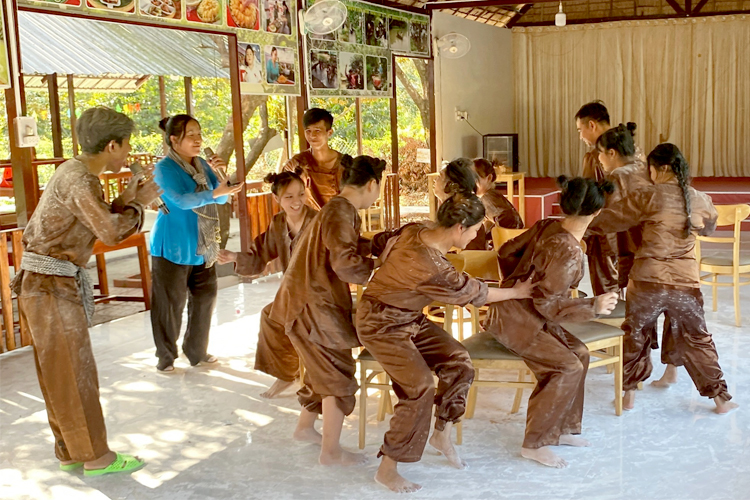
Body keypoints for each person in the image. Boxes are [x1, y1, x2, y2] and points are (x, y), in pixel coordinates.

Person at [356, 160, 534, 493]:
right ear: (459, 228)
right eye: (476, 229)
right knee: (420, 386)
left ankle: (441, 433)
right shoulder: (432, 266)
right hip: (381, 323)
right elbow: (475, 293)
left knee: (459, 362)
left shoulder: (416, 229)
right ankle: (388, 468)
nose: (478, 234)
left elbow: (381, 242)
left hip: (410, 318)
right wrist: (518, 292)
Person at [13, 106, 161, 475]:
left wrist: (126, 198)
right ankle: (96, 456)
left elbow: (95, 220)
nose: (128, 154)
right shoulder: (80, 179)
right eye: (126, 146)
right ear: (112, 145)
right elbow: (109, 231)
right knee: (74, 371)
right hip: (49, 284)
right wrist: (139, 204)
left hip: (46, 283)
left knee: (59, 372)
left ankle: (70, 451)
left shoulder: (75, 173)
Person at [588, 143, 738, 414]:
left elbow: (610, 221)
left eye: (651, 170)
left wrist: (579, 223)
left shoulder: (647, 196)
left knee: (635, 335)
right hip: (686, 283)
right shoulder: (700, 199)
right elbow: (709, 228)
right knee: (698, 338)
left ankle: (629, 397)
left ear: (660, 169)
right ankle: (721, 400)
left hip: (647, 280)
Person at [484, 177, 619, 469]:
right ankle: (535, 443)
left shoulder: (547, 225)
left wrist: (515, 284)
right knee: (566, 366)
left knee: (580, 353)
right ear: (597, 212)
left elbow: (505, 252)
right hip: (519, 324)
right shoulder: (568, 250)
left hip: (518, 312)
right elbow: (549, 305)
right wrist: (593, 306)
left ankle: (563, 428)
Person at [266, 155, 384, 466]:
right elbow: (345, 263)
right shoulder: (340, 210)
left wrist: (379, 246)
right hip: (312, 303)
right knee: (336, 373)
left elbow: (344, 247)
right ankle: (330, 452)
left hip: (308, 299)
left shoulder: (336, 208)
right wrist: (380, 268)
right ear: (372, 184)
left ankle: (305, 429)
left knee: (321, 369)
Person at [150, 115, 244, 372]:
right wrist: (215, 193)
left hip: (203, 243)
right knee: (170, 305)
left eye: (199, 134)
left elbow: (221, 198)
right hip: (173, 244)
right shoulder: (164, 168)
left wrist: (222, 178)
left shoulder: (202, 164)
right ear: (174, 140)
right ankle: (165, 356)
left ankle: (196, 350)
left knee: (205, 297)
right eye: (190, 135)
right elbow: (179, 201)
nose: (198, 140)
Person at [217, 170, 317, 398]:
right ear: (277, 199)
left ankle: (303, 374)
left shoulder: (318, 221)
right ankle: (286, 374)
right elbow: (261, 253)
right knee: (271, 317)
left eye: (301, 194)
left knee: (283, 317)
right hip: (294, 293)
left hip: (320, 291)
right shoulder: (279, 223)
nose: (297, 201)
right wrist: (234, 257)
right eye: (289, 196)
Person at [575, 101, 619, 295]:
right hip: (632, 233)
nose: (581, 136)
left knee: (606, 293)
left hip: (604, 234)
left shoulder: (595, 157)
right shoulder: (633, 151)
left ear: (592, 125)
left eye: (580, 130)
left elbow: (588, 198)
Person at [283, 108, 348, 210]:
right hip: (307, 218)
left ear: (329, 133)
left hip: (338, 217)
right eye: (308, 131)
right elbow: (283, 192)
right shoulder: (298, 162)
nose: (312, 135)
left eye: (317, 130)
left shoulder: (345, 164)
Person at [471, 158, 524, 248]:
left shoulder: (488, 198)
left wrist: (500, 238)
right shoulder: (491, 195)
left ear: (489, 178)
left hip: (508, 245)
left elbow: (507, 217)